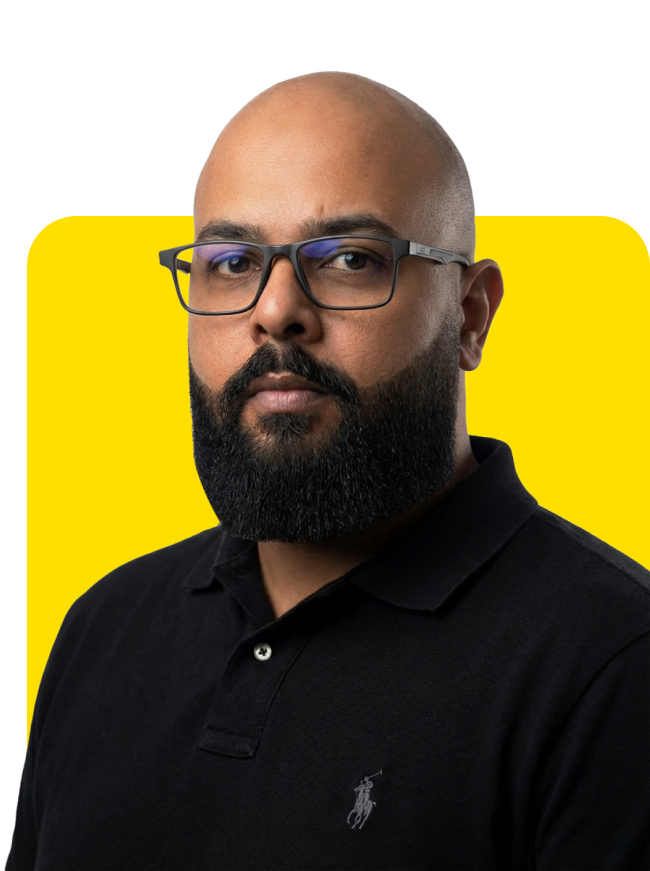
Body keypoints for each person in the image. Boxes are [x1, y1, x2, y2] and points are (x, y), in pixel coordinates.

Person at [12, 73, 649, 870]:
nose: (276, 310)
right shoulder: (103, 629)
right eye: (232, 261)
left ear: (470, 315)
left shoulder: (614, 662)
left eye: (350, 258)